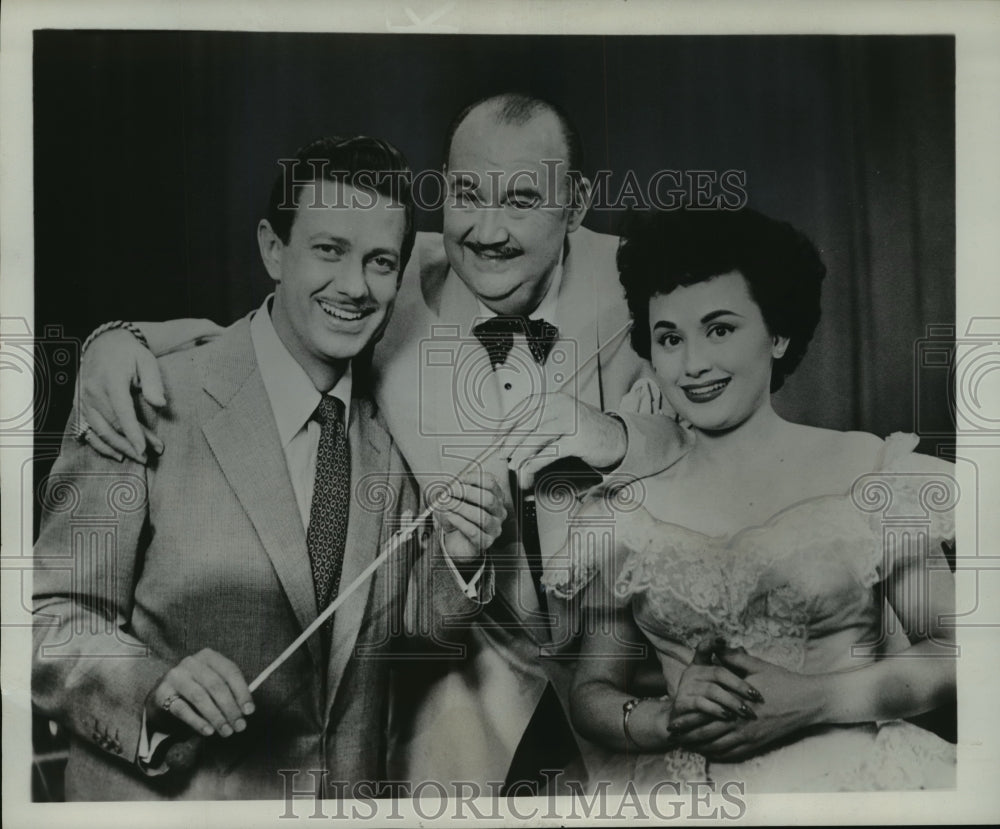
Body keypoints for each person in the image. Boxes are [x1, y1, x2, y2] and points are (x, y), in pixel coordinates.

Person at [69, 93, 691, 790]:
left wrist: (606, 433)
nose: (487, 231)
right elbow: (269, 325)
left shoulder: (649, 278)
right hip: (461, 708)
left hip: (638, 673)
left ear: (575, 207)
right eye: (465, 194)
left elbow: (727, 422)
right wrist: (118, 340)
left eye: (521, 201)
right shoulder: (399, 270)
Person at [31, 135, 507, 800]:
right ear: (272, 249)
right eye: (329, 250)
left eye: (378, 261)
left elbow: (406, 644)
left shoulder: (400, 424)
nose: (353, 286)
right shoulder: (144, 395)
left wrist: (459, 557)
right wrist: (153, 686)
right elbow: (49, 618)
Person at [561, 207, 957, 792]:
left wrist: (815, 701)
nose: (692, 364)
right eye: (670, 337)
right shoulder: (623, 508)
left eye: (719, 329)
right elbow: (590, 692)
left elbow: (953, 652)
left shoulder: (872, 471)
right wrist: (663, 718)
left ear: (778, 333)